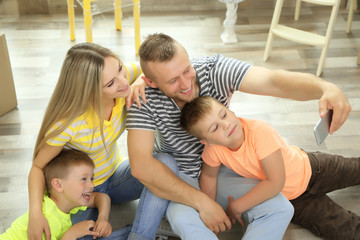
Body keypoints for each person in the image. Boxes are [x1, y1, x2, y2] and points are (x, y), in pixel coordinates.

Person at [126, 33, 351, 240]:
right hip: (179, 178)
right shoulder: (143, 98)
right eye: (172, 80)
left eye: (187, 69)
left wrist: (324, 87)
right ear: (151, 81)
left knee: (281, 208)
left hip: (222, 168)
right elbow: (141, 165)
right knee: (188, 225)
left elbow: (274, 81)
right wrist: (203, 203)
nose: (186, 84)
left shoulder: (214, 70)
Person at [27, 42, 178, 240]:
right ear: (89, 92)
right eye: (110, 84)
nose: (124, 83)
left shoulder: (123, 80)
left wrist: (142, 78)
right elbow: (38, 168)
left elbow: (151, 67)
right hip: (81, 193)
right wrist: (35, 213)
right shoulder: (68, 123)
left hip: (116, 177)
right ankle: (146, 230)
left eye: (120, 69)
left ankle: (140, 236)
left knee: (164, 164)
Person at [180, 95, 360, 240]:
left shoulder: (259, 132)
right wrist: (211, 208)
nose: (226, 125)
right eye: (214, 128)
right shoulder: (214, 149)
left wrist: (237, 207)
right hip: (295, 200)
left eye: (224, 114)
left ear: (229, 109)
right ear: (206, 141)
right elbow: (209, 176)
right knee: (344, 228)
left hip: (313, 168)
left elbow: (275, 182)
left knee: (355, 169)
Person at [1, 149, 114, 239]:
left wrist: (103, 218)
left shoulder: (67, 201)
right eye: (83, 179)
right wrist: (72, 234)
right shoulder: (49, 220)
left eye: (91, 178)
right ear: (58, 185)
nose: (91, 185)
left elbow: (101, 197)